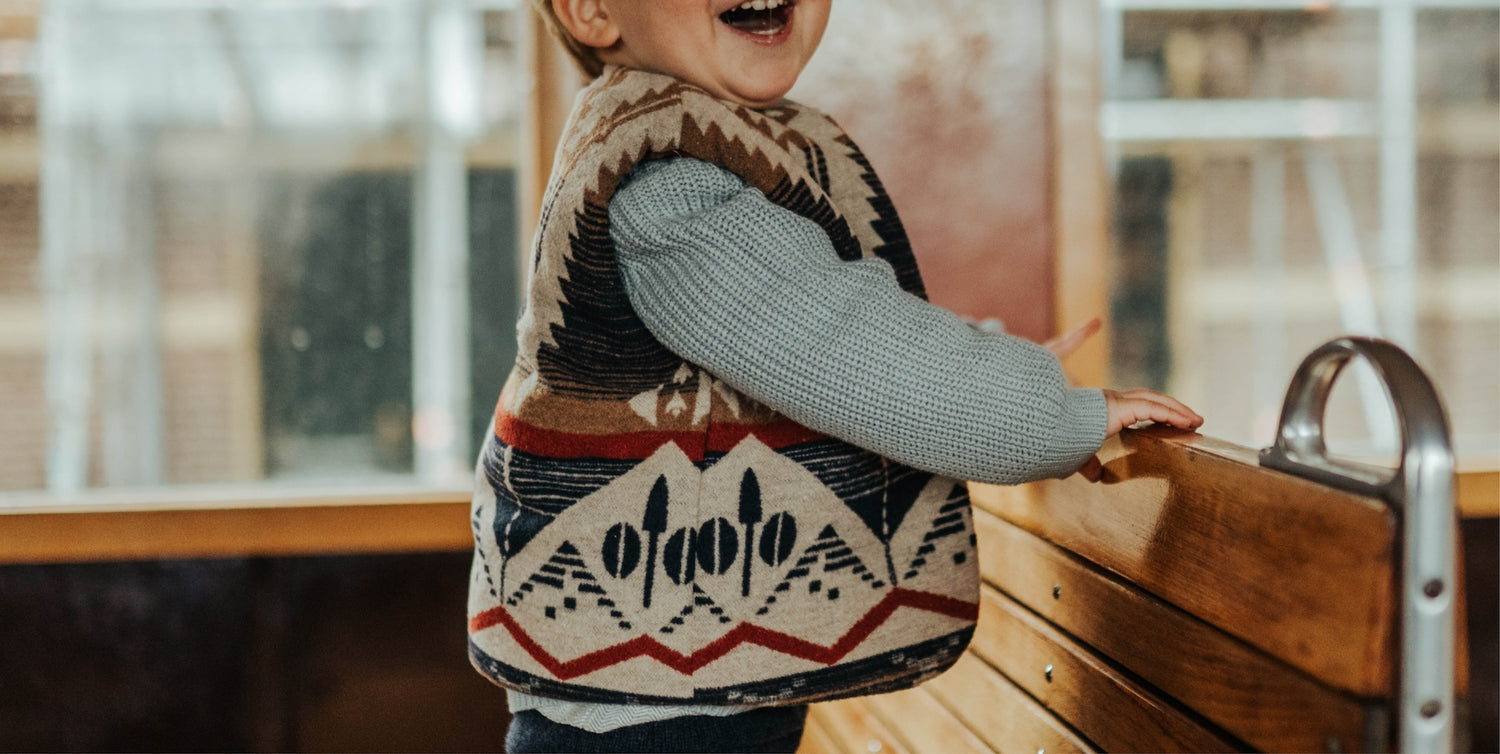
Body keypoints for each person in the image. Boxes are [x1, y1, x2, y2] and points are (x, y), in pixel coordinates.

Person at [466, 1, 1204, 752]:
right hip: (650, 705)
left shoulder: (709, 143)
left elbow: (831, 328)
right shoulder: (664, 181)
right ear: (593, 10)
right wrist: (1043, 413)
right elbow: (840, 341)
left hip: (677, 679)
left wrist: (997, 361)